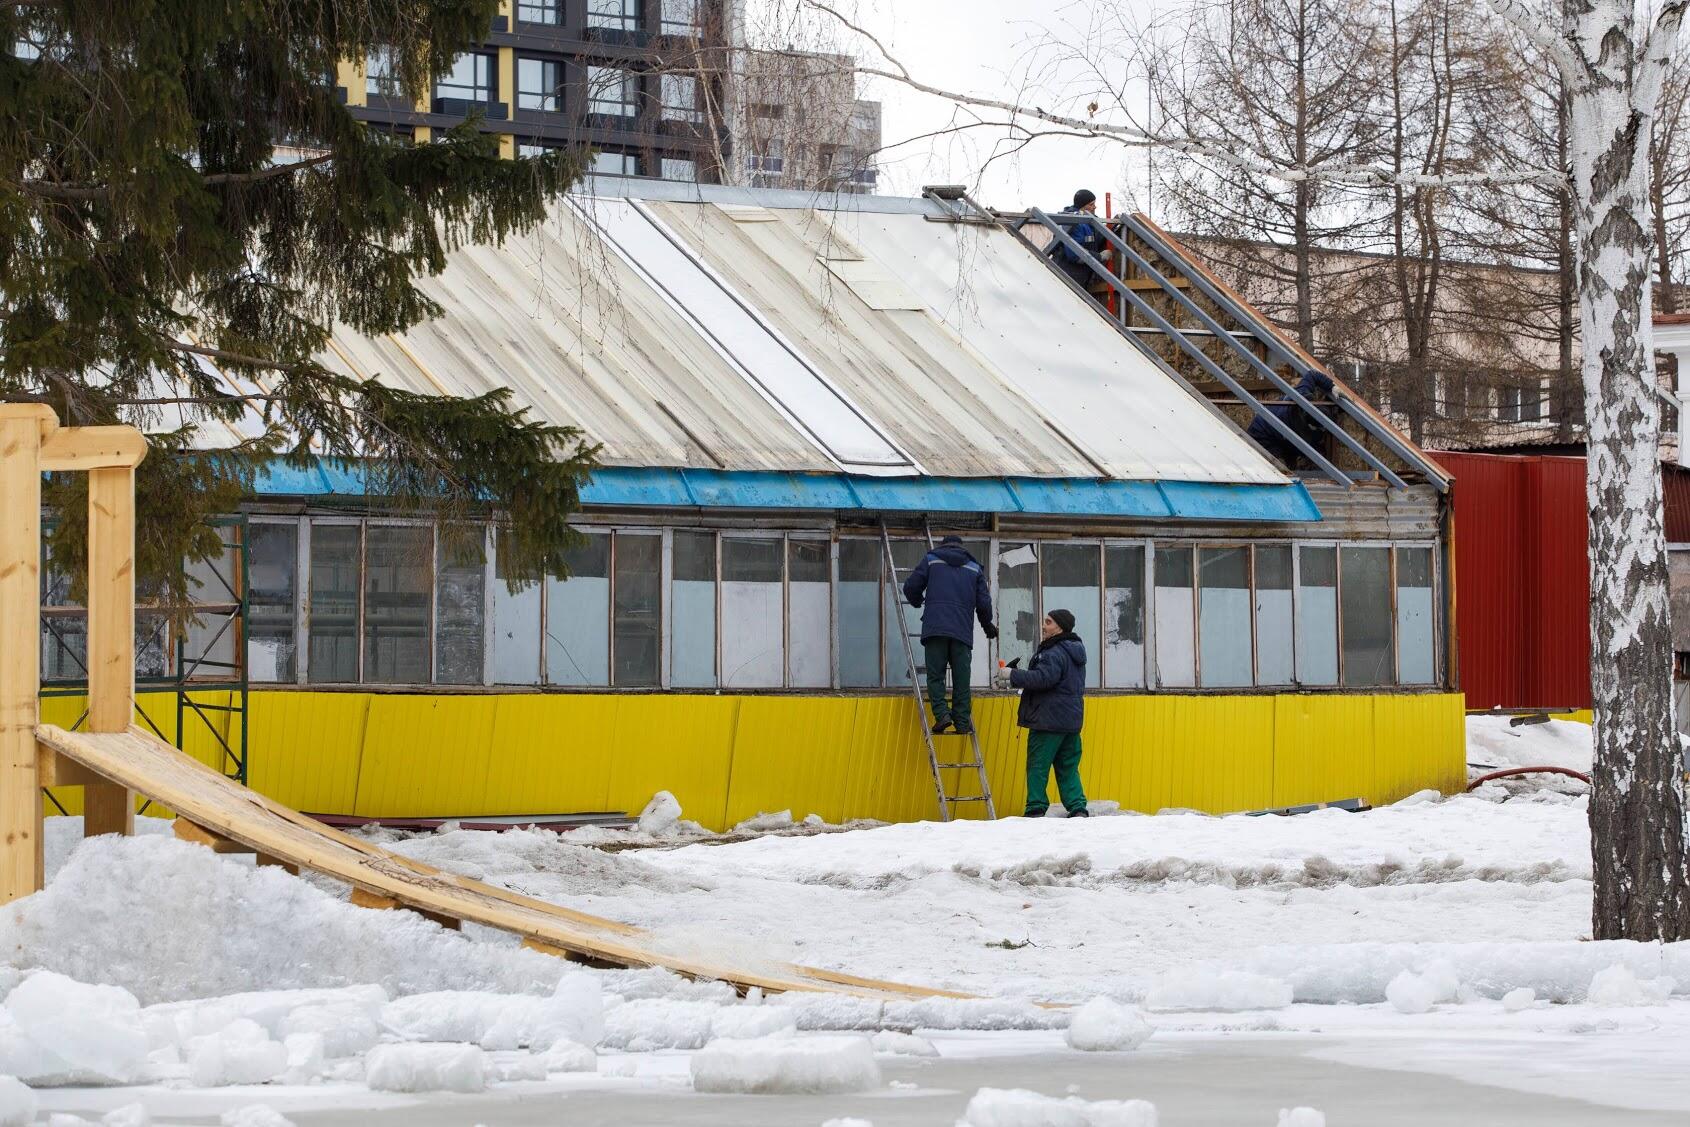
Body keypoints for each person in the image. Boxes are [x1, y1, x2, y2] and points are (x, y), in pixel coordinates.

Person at [994, 608, 1088, 818]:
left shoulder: (1052, 652)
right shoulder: (1075, 651)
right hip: (1071, 722)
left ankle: (1035, 808)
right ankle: (1077, 807)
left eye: (1048, 622)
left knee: (1038, 765)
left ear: (1060, 627)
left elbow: (1044, 678)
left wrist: (1012, 675)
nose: (1044, 626)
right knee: (1068, 767)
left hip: (1047, 720)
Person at [902, 536, 997, 735]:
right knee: (961, 678)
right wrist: (987, 626)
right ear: (962, 548)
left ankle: (942, 715)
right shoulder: (974, 568)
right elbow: (984, 603)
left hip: (935, 629)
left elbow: (910, 587)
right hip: (962, 632)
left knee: (936, 676)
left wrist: (917, 601)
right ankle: (961, 722)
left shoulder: (931, 560)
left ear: (943, 545)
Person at [1050, 189, 1111, 289]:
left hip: (1080, 276)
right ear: (1082, 206)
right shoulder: (1073, 222)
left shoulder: (1089, 221)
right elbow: (1075, 255)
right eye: (1091, 204)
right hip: (1067, 276)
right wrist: (1100, 257)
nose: (1095, 207)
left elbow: (1097, 239)